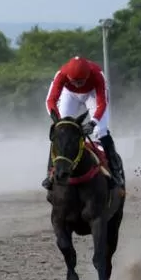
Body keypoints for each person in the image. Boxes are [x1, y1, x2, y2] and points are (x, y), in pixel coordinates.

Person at [43, 56, 125, 189]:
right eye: (74, 81)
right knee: (62, 132)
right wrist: (58, 121)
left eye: (81, 81)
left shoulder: (97, 74)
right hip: (69, 94)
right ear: (68, 77)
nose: (77, 84)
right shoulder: (61, 74)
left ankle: (115, 171)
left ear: (88, 76)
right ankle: (50, 173)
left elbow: (102, 103)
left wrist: (93, 122)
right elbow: (50, 100)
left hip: (92, 93)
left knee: (101, 131)